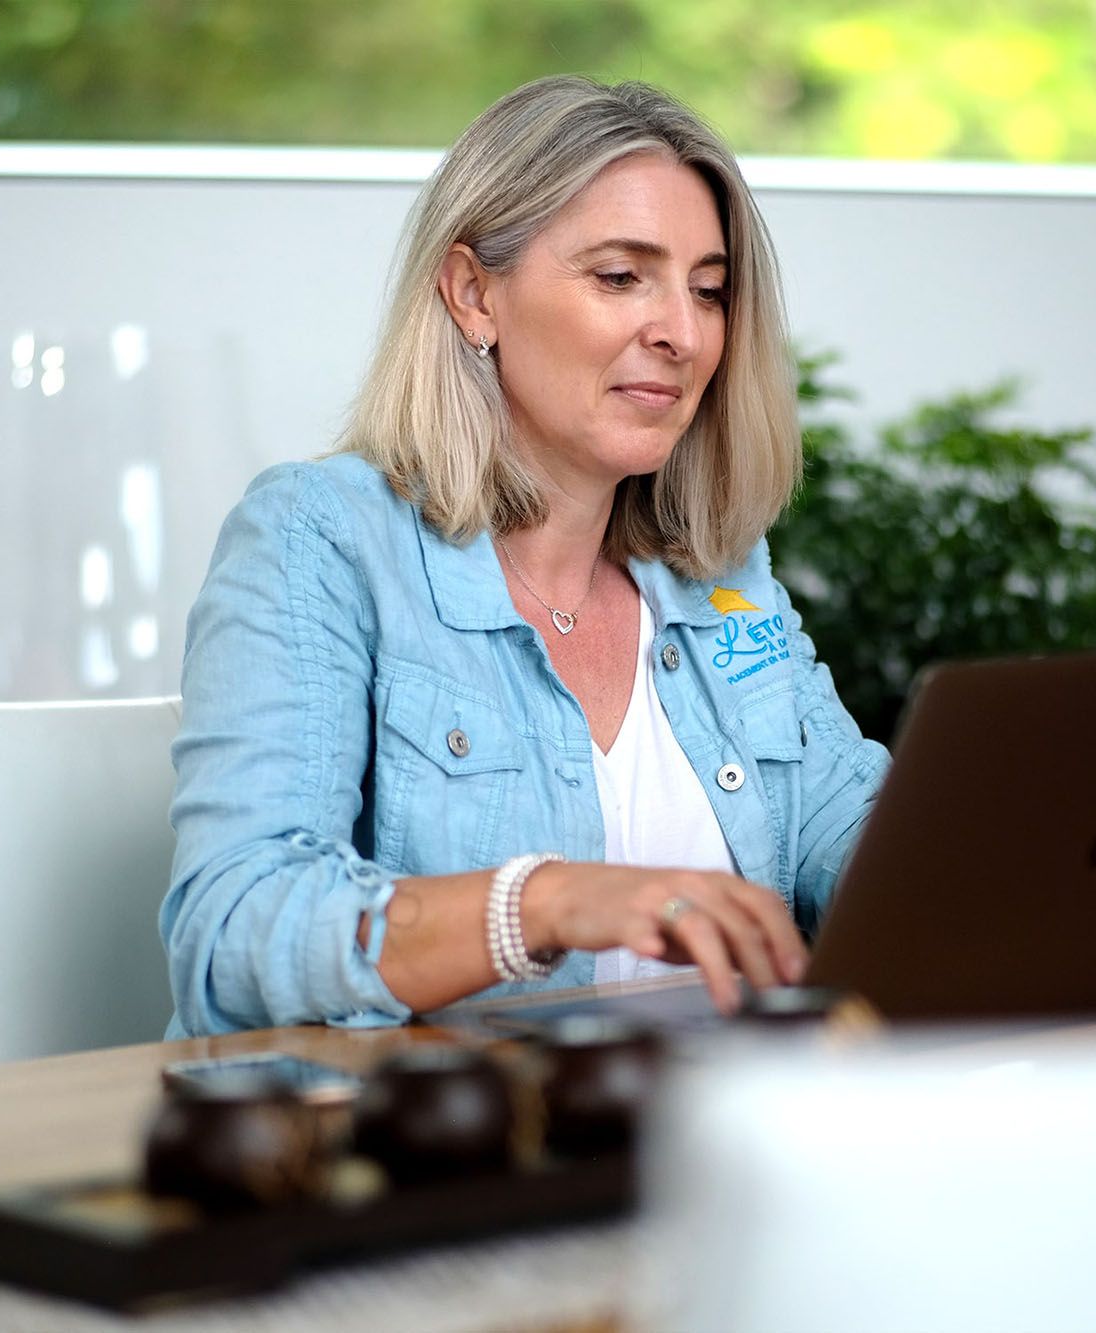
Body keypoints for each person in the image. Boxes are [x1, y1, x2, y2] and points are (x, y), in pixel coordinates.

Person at [163, 76, 888, 1036]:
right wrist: (540, 903)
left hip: (708, 1142)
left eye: (708, 291)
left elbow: (867, 849)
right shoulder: (319, 538)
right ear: (473, 295)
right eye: (621, 276)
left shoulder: (719, 577)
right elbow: (234, 930)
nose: (681, 331)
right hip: (429, 1159)